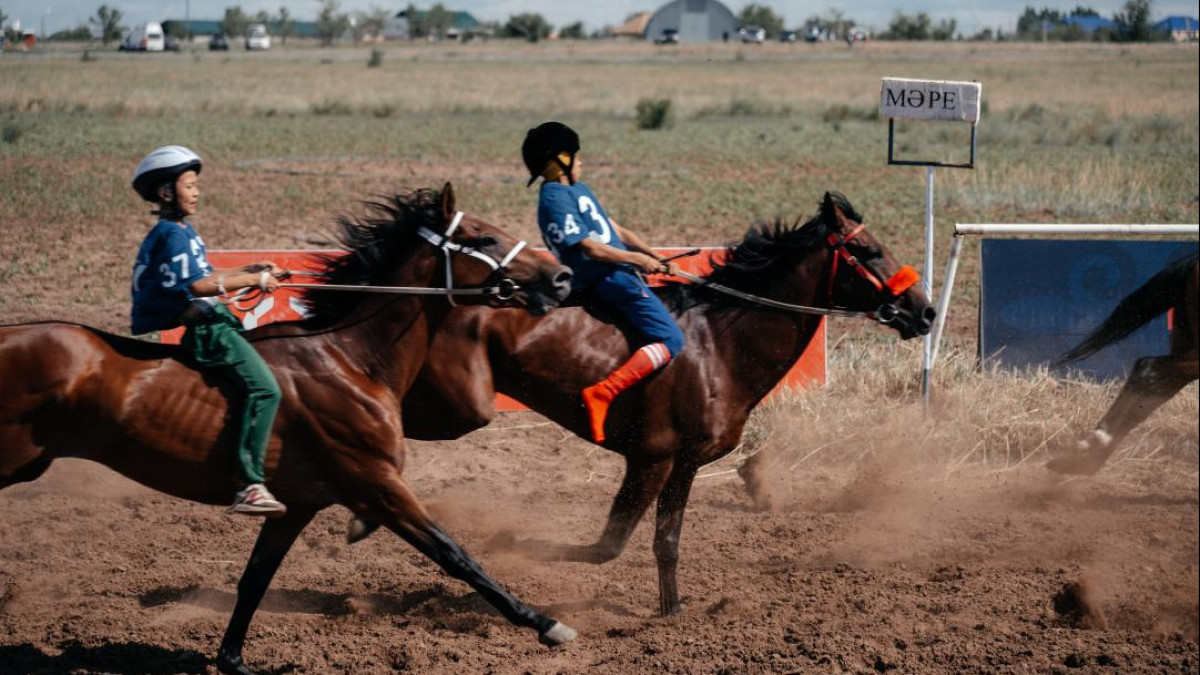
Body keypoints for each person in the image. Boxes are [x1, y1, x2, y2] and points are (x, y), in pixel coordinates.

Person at [130, 145, 286, 517]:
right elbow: (199, 288)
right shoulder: (172, 234)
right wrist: (256, 279)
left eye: (197, 184)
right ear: (167, 192)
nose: (197, 191)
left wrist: (249, 270)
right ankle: (249, 486)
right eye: (189, 184)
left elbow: (205, 277)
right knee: (266, 389)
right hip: (208, 330)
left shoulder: (182, 230)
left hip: (213, 321)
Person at [521, 122, 686, 443]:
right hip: (606, 277)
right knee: (672, 340)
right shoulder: (554, 198)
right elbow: (590, 248)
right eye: (577, 157)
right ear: (562, 160)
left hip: (620, 270)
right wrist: (638, 261)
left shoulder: (578, 190)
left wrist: (653, 255)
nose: (582, 162)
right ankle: (603, 393)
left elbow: (617, 230)